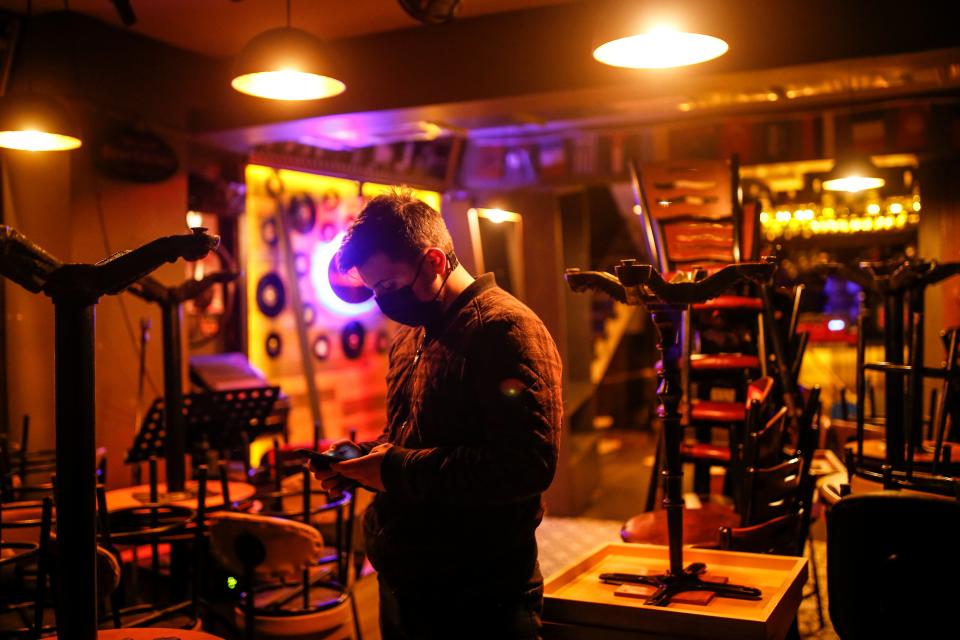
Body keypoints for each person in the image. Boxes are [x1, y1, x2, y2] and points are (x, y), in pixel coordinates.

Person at [311, 191, 562, 639]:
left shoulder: (505, 330)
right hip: (406, 581)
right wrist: (359, 461)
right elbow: (412, 437)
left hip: (477, 596)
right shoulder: (411, 336)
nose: (381, 301)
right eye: (373, 290)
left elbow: (526, 465)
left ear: (433, 261)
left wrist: (390, 469)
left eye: (387, 287)